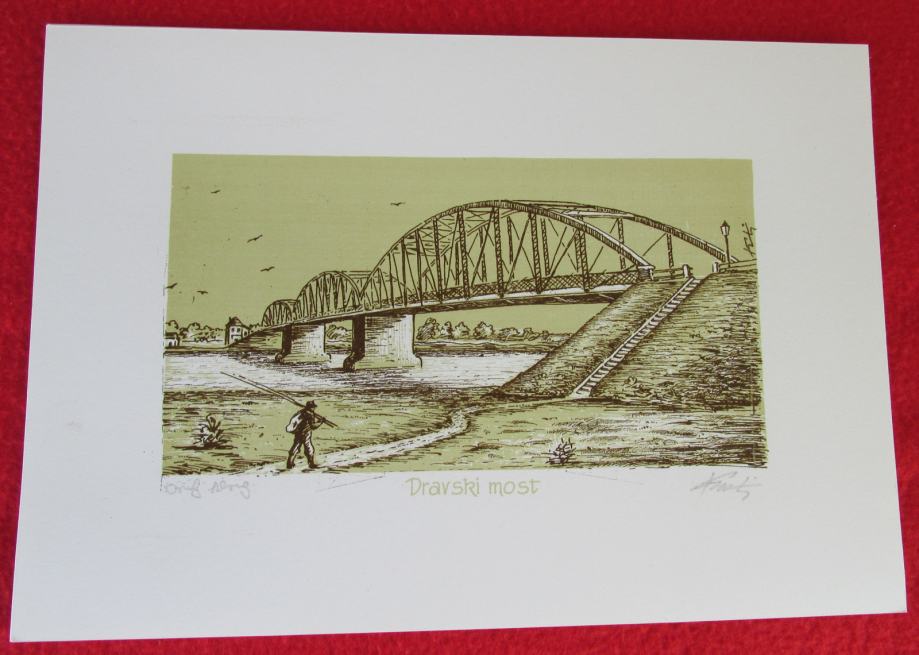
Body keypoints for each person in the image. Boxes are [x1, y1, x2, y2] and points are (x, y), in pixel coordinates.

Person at [285, 400, 326, 469]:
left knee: (295, 447)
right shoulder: (310, 415)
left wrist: (319, 421)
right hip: (306, 434)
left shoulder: (302, 412)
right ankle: (311, 464)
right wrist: (321, 422)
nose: (314, 408)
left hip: (298, 433)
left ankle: (289, 464)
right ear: (310, 407)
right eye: (313, 407)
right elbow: (313, 426)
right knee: (309, 449)